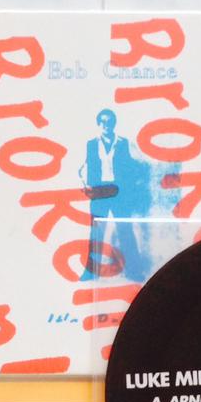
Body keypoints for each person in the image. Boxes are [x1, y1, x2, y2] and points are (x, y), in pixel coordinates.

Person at [79, 109, 149, 281]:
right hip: (99, 193)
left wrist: (130, 184)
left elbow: (141, 165)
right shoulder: (90, 144)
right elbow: (81, 168)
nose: (106, 125)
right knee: (96, 232)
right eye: (103, 122)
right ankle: (90, 272)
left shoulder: (124, 143)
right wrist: (86, 185)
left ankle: (134, 271)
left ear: (114, 123)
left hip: (119, 193)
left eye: (109, 122)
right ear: (98, 124)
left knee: (125, 230)